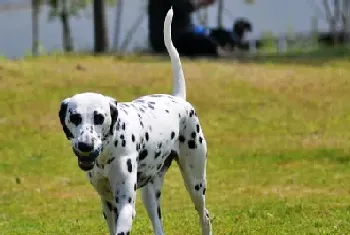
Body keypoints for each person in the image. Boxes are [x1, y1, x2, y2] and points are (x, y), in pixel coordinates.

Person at [148, 0, 221, 57]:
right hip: (169, 40)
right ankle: (221, 51)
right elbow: (184, 6)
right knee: (208, 43)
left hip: (175, 37)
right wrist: (201, 2)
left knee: (218, 35)